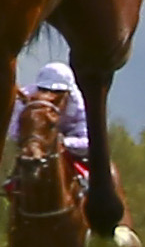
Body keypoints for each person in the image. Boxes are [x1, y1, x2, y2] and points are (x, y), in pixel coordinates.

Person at [12, 60, 89, 206]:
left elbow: (88, 141)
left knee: (104, 175)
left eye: (57, 93)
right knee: (14, 181)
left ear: (68, 92)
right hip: (37, 141)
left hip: (71, 145)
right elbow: (14, 132)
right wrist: (34, 141)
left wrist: (60, 142)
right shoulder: (24, 98)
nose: (49, 96)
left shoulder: (80, 104)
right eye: (43, 89)